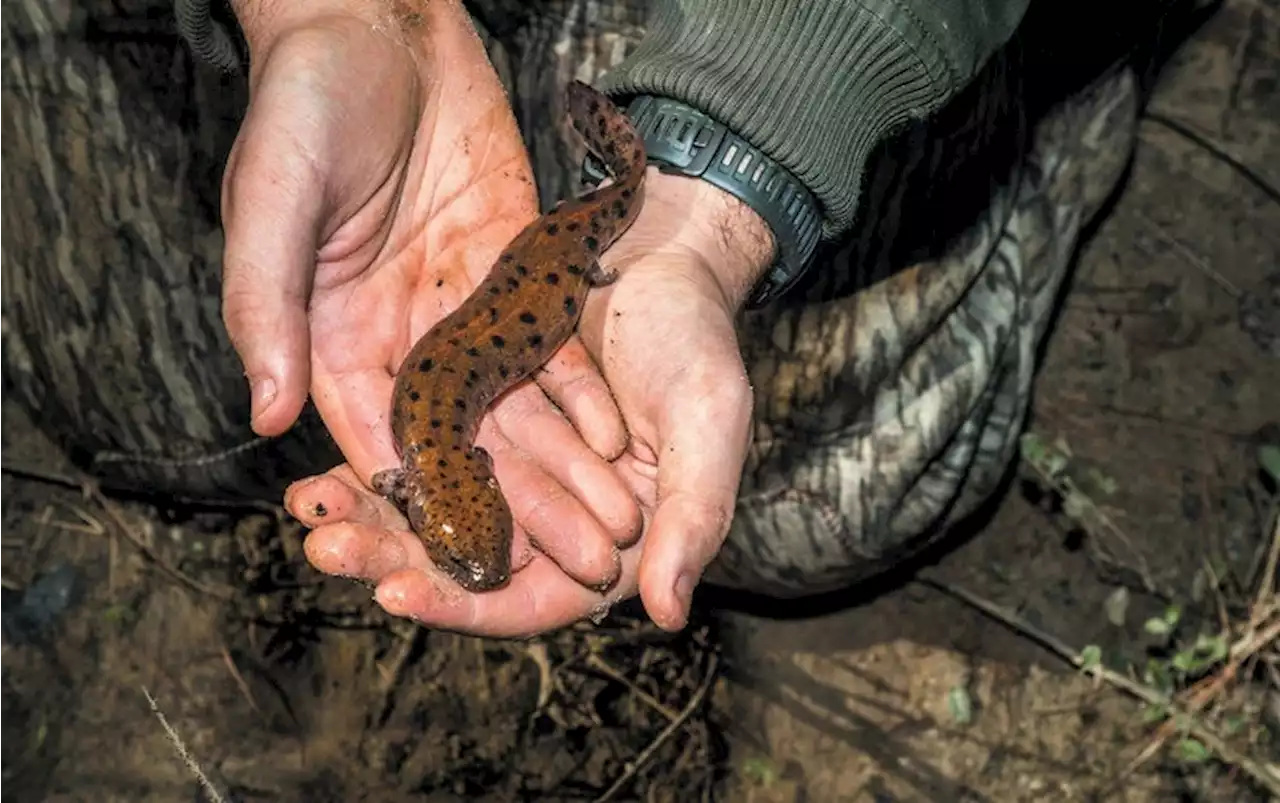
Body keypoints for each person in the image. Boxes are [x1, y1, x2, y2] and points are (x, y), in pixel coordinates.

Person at [1, 0, 1169, 638]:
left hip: (682, 111)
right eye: (478, 538)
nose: (479, 541)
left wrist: (702, 207)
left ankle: (1045, 110)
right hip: (510, 252)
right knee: (141, 407)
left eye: (473, 536)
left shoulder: (434, 450)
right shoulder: (431, 455)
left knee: (843, 491)